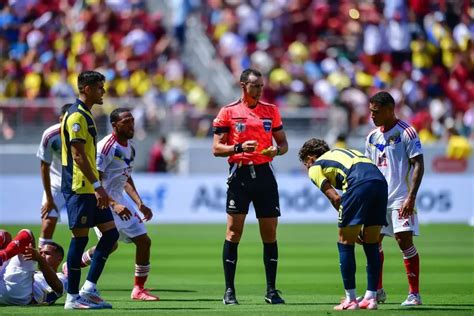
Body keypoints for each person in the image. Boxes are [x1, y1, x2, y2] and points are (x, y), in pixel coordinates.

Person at [212, 68, 289, 305]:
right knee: (234, 232)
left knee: (270, 233)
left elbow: (283, 144)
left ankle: (271, 290)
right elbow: (216, 148)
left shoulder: (271, 111)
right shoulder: (228, 112)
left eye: (261, 86)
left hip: (265, 175)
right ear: (243, 85)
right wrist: (237, 148)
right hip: (240, 176)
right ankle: (229, 291)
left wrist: (276, 150)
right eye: (255, 86)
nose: (259, 90)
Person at [69, 108, 159, 301]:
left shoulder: (131, 147)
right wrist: (114, 204)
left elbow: (125, 177)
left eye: (132, 120)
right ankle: (73, 267)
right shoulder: (106, 147)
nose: (131, 124)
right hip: (104, 202)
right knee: (110, 245)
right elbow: (96, 182)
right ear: (115, 125)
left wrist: (140, 203)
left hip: (122, 201)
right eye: (126, 121)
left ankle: (138, 289)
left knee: (144, 241)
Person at [298, 138, 388, 310]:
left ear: (310, 158)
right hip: (380, 183)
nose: (307, 168)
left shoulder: (315, 166)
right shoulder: (343, 152)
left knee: (345, 242)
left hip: (359, 184)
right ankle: (371, 298)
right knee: (372, 243)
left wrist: (349, 224)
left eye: (305, 164)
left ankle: (350, 300)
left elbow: (336, 197)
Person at [60, 70, 119, 309]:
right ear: (86, 89)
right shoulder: (76, 117)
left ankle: (88, 288)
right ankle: (72, 297)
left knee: (111, 234)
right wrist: (97, 186)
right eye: (98, 87)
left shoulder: (86, 115)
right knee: (80, 239)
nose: (103, 91)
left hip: (89, 188)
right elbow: (78, 156)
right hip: (79, 188)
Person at [365, 91, 424, 306]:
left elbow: (418, 163)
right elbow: (370, 169)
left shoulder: (407, 132)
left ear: (390, 109)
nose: (372, 116)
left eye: (376, 112)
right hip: (379, 199)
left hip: (401, 197)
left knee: (403, 241)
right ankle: (377, 290)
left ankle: (414, 295)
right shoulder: (372, 137)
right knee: (373, 242)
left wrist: (411, 197)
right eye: (371, 111)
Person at [36, 103, 72, 248]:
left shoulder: (84, 133)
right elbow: (44, 166)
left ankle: (72, 266)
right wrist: (49, 199)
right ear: (60, 119)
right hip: (56, 184)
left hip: (78, 186)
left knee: (80, 230)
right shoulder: (50, 135)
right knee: (48, 224)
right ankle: (41, 267)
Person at [0, 229, 66, 306]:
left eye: (47, 253)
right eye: (40, 253)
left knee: (27, 234)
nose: (42, 255)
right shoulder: (35, 272)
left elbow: (58, 288)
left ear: (59, 259)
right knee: (5, 235)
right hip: (3, 289)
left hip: (20, 294)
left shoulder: (61, 277)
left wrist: (40, 259)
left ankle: (2, 256)